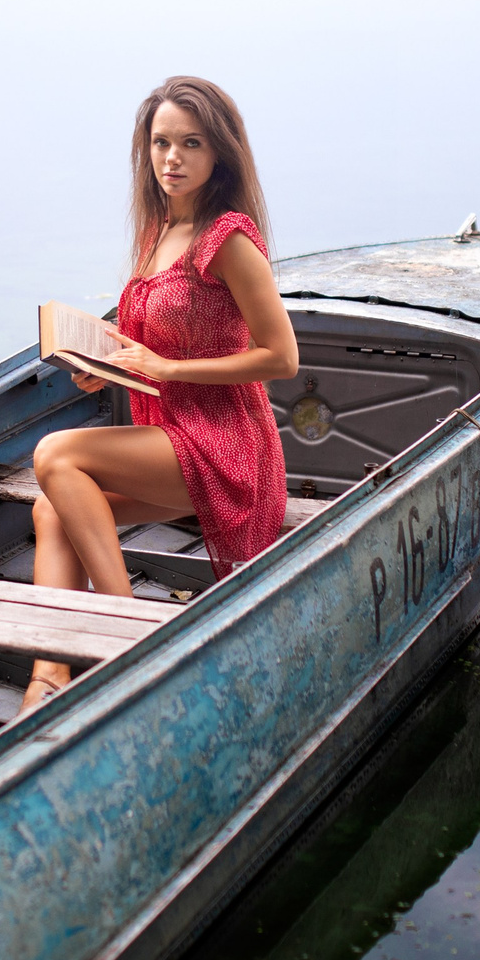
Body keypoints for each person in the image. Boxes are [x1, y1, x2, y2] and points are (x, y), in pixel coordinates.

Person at [20, 76, 297, 714]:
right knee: (47, 513)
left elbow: (282, 358)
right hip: (171, 438)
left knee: (56, 455)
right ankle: (48, 676)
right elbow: (149, 344)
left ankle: (125, 636)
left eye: (191, 143)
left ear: (219, 152)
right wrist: (104, 363)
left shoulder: (227, 239)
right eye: (161, 143)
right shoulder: (157, 230)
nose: (172, 158)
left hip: (229, 448)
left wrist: (168, 370)